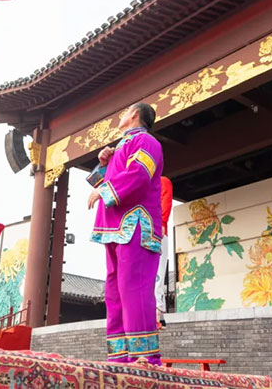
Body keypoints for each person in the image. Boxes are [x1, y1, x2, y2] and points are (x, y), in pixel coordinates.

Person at [86, 103, 164, 365]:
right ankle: (120, 357)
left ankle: (144, 358)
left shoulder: (147, 142)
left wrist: (103, 191)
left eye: (125, 111)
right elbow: (107, 182)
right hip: (114, 228)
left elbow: (139, 176)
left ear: (134, 114)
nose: (121, 115)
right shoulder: (122, 146)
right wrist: (104, 164)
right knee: (114, 293)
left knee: (134, 289)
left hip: (135, 225)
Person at [155, 176, 173, 329]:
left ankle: (158, 312)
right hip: (140, 234)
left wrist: (161, 222)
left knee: (157, 274)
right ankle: (158, 314)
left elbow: (166, 201)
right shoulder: (140, 181)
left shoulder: (162, 181)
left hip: (157, 233)